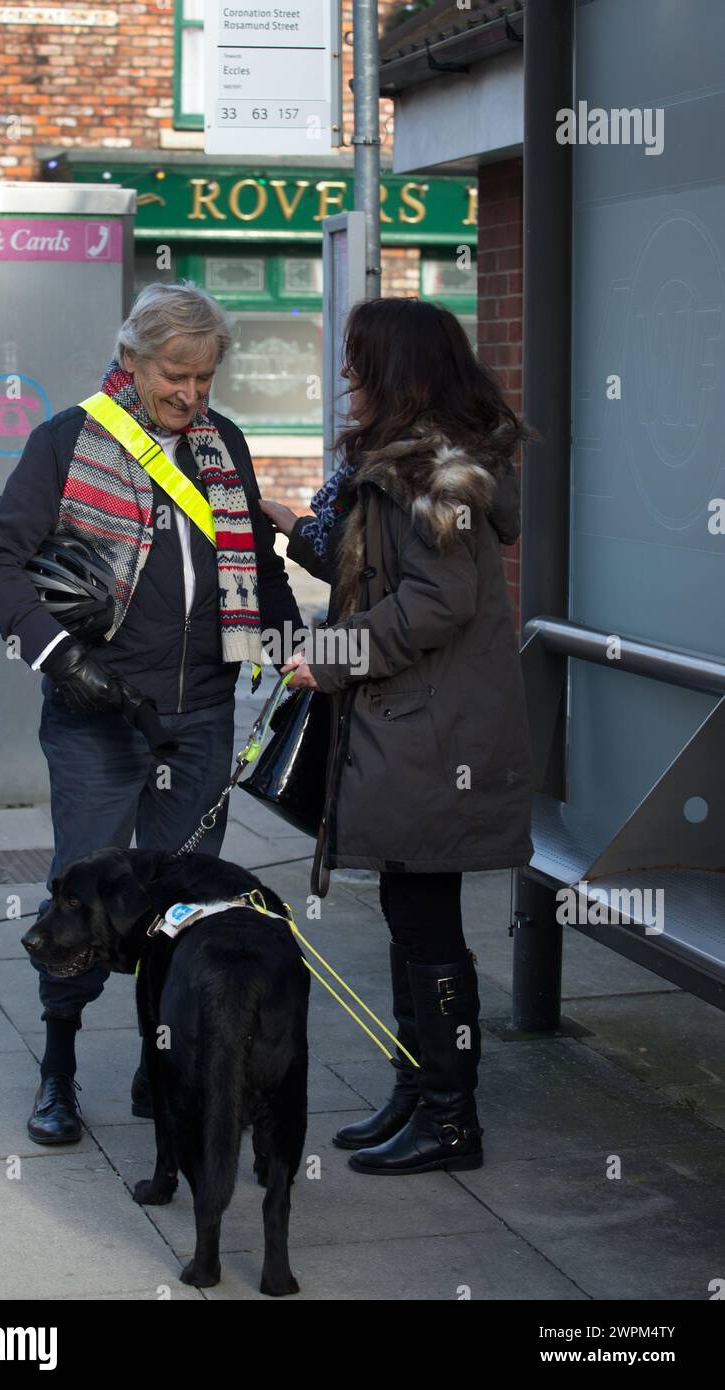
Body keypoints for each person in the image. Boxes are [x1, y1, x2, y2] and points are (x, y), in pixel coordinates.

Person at [0, 281, 302, 1144]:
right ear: (130, 358)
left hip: (203, 713)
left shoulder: (223, 443)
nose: (191, 395)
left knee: (184, 903)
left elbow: (256, 566)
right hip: (99, 714)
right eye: (174, 375)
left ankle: (166, 1064)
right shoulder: (68, 441)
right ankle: (59, 1068)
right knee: (84, 890)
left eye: (205, 377)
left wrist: (291, 640)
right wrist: (57, 655)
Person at [260, 297, 533, 1175]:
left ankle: (451, 1118)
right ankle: (418, 1093)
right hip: (414, 725)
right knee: (408, 911)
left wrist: (326, 657)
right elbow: (368, 568)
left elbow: (436, 601)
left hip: (435, 733)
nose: (346, 375)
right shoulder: (402, 467)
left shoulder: (438, 476)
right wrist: (282, 521)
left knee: (424, 921)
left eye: (357, 358)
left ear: (396, 369)